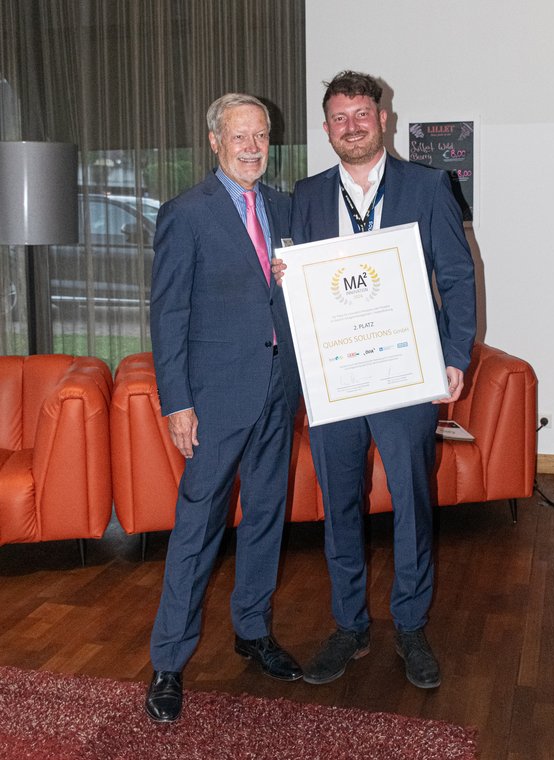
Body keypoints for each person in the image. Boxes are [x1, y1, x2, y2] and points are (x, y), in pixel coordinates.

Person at [273, 71, 476, 689]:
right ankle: (350, 625)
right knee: (339, 502)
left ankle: (410, 626)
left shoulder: (428, 186)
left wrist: (454, 356)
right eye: (339, 118)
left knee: (412, 499)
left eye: (362, 114)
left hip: (406, 372)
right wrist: (284, 276)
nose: (352, 126)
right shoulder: (306, 196)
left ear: (383, 118)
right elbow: (299, 286)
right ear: (326, 128)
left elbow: (458, 276)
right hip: (335, 376)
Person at [145, 93, 302, 724]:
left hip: (278, 391)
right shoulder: (186, 213)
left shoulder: (286, 208)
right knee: (197, 527)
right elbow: (168, 314)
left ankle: (253, 631)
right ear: (215, 141)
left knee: (266, 516)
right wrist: (177, 402)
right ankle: (168, 662)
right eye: (240, 136)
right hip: (213, 399)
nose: (252, 147)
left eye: (260, 135)